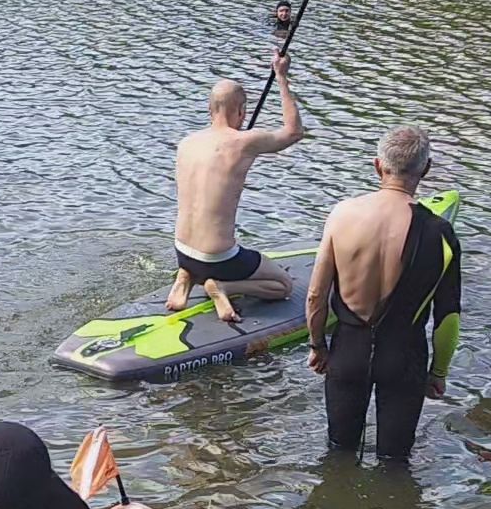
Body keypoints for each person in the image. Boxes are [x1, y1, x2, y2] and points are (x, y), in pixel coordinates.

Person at [304, 127, 461, 459]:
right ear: (426, 169)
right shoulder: (440, 232)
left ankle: (335, 505)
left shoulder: (342, 215)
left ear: (378, 166)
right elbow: (448, 317)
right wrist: (439, 372)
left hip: (348, 352)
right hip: (403, 358)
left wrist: (318, 345)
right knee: (395, 461)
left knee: (339, 454)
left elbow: (316, 296)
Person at [167, 51, 306, 322]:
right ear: (242, 111)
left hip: (181, 250)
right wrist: (281, 76)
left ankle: (186, 276)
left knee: (200, 246)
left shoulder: (186, 144)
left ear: (210, 110)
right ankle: (221, 286)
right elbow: (294, 132)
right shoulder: (244, 142)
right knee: (283, 286)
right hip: (219, 259)